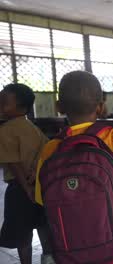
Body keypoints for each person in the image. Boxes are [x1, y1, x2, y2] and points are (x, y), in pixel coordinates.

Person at [34, 71, 113, 263]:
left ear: (59, 107)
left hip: (71, 246)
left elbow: (42, 200)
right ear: (101, 107)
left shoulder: (50, 148)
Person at [0, 83, 53, 264]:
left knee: (23, 234)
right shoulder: (33, 127)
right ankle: (48, 258)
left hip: (19, 187)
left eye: (3, 102)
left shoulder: (6, 130)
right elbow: (46, 152)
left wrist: (26, 188)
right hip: (39, 185)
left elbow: (13, 163)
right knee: (42, 225)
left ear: (21, 107)